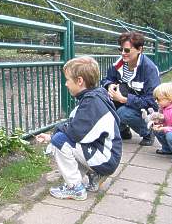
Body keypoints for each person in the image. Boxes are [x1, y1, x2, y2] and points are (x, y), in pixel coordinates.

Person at [36, 56, 122, 200]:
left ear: (80, 81)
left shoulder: (91, 103)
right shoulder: (97, 95)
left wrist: (53, 135)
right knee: (65, 139)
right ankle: (95, 175)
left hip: (106, 158)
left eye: (68, 80)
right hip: (109, 155)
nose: (66, 84)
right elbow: (78, 127)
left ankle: (75, 188)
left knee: (60, 141)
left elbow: (75, 133)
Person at [101, 31, 160, 146]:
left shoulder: (149, 69)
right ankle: (123, 130)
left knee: (123, 112)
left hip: (146, 110)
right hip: (126, 100)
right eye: (121, 49)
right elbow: (106, 79)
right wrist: (109, 85)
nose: (123, 53)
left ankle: (148, 131)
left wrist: (125, 100)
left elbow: (152, 102)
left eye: (127, 50)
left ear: (139, 49)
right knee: (104, 99)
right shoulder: (118, 65)